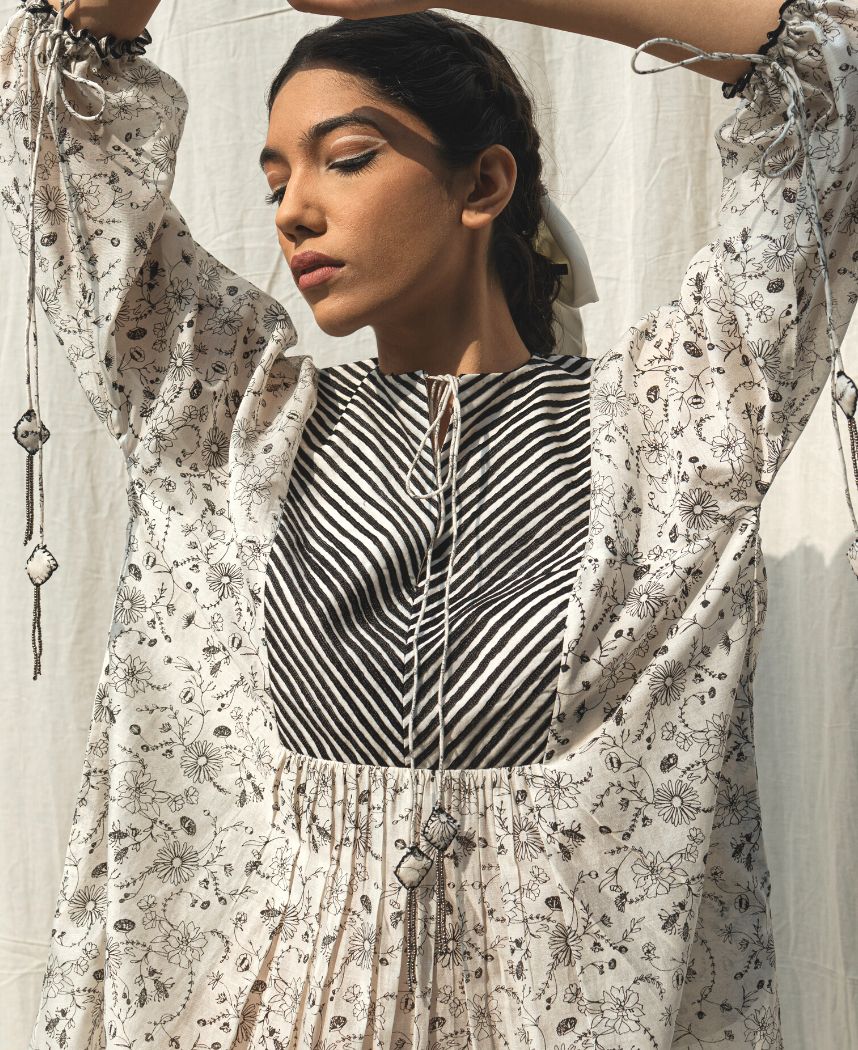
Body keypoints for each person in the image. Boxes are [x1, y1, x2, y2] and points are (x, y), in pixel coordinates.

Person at [2, 0, 857, 1046]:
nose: (293, 211)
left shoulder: (675, 435)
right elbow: (62, 99)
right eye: (275, 182)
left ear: (484, 184)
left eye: (346, 159)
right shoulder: (231, 434)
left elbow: (831, 85)